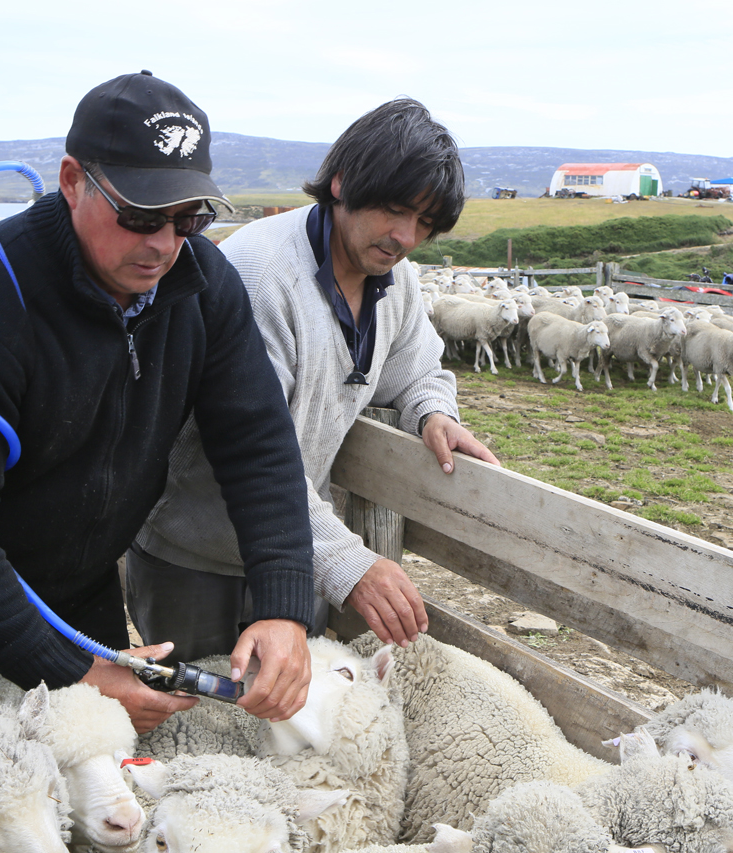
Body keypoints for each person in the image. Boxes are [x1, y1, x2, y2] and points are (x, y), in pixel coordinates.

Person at [0, 71, 316, 749]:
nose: (163, 243)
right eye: (139, 215)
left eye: (189, 218)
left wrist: (283, 606)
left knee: (98, 778)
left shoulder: (203, 289)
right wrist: (75, 672)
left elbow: (258, 444)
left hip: (75, 580)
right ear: (72, 180)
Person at [129, 98, 499, 658]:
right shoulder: (260, 276)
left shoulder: (395, 280)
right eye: (393, 209)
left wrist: (432, 411)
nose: (404, 236)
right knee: (197, 719)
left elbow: (416, 364)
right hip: (197, 552)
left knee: (295, 722)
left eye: (424, 222)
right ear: (343, 183)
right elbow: (250, 449)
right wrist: (348, 561)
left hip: (298, 554)